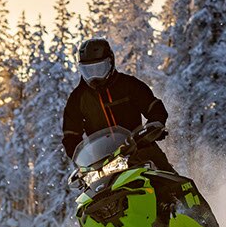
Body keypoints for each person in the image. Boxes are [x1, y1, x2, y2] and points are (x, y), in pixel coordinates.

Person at [61, 37, 175, 173]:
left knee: (169, 178)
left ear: (110, 63)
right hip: (103, 162)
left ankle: (185, 193)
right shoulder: (77, 98)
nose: (94, 76)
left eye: (99, 69)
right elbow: (71, 135)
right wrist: (84, 160)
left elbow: (153, 107)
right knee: (96, 193)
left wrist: (154, 126)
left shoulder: (129, 85)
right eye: (88, 71)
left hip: (140, 148)